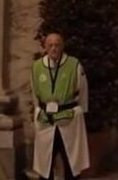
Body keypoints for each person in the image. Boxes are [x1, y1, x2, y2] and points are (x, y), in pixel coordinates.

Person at [30, 33, 89, 180]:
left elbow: (83, 90)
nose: (53, 48)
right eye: (50, 45)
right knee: (45, 162)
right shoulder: (37, 67)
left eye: (57, 45)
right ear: (45, 47)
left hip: (68, 119)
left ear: (62, 46)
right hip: (46, 120)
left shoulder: (74, 65)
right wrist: (37, 111)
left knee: (71, 160)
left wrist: (80, 111)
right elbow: (33, 92)